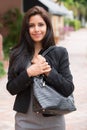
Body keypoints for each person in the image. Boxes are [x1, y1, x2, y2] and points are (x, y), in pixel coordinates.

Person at [6, 6, 74, 130]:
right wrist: (29, 72)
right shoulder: (16, 54)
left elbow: (68, 88)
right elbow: (11, 88)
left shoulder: (60, 53)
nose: (36, 29)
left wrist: (48, 71)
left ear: (47, 27)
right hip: (24, 120)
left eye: (41, 24)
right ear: (26, 29)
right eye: (31, 25)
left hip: (54, 120)